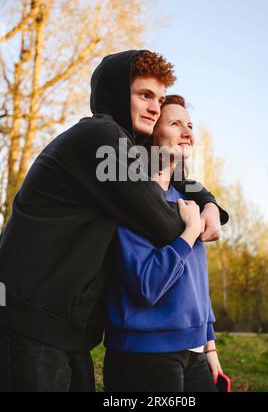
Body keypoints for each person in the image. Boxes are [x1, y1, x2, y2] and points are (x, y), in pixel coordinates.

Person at [0, 50, 228, 391]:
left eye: (160, 98)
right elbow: (162, 220)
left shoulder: (122, 150)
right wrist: (193, 224)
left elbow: (167, 175)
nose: (154, 107)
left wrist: (208, 202)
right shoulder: (100, 137)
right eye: (144, 95)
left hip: (69, 329)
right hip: (30, 320)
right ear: (118, 94)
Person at [103, 95, 222, 392]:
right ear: (153, 133)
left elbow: (197, 284)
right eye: (175, 124)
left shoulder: (187, 200)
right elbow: (147, 285)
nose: (188, 133)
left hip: (195, 351)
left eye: (190, 125)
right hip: (145, 354)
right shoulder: (130, 198)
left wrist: (209, 347)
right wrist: (189, 233)